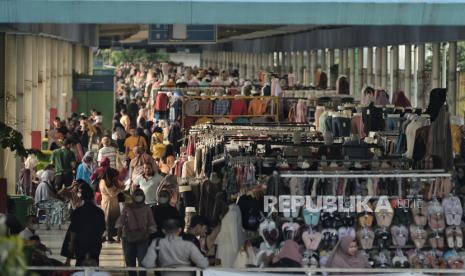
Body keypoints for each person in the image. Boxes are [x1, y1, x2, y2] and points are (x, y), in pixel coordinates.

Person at [142, 219, 208, 276]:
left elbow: (148, 264)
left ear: (163, 231)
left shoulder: (157, 243)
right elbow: (203, 264)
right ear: (180, 230)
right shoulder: (188, 245)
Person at [116, 189, 156, 276]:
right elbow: (121, 221)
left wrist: (148, 233)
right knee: (130, 261)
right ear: (133, 196)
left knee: (143, 261)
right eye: (136, 194)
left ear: (144, 196)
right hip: (127, 237)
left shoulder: (147, 208)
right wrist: (118, 236)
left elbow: (151, 222)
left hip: (143, 237)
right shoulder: (127, 207)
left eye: (140, 194)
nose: (138, 196)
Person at [68, 183, 106, 266]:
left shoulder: (77, 212)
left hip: (80, 243)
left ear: (81, 197)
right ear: (93, 197)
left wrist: (71, 244)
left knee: (80, 263)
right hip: (95, 243)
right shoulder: (99, 212)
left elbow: (73, 230)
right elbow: (102, 229)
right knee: (94, 263)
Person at [99, 166, 123, 242]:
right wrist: (120, 189)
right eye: (114, 177)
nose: (115, 178)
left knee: (113, 219)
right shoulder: (105, 183)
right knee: (109, 220)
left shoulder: (106, 181)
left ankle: (109, 236)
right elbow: (112, 193)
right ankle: (108, 237)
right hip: (108, 203)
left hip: (112, 202)